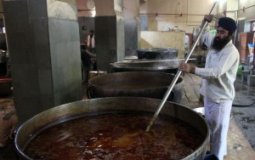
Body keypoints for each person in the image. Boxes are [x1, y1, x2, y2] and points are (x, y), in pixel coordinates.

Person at [180, 16, 240, 160]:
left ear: (230, 34)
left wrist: (193, 69)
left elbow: (215, 72)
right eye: (218, 31)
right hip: (209, 95)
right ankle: (213, 153)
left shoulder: (231, 52)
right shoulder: (215, 43)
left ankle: (217, 157)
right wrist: (204, 22)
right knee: (212, 128)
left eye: (223, 32)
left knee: (219, 132)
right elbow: (202, 34)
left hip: (221, 98)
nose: (219, 35)